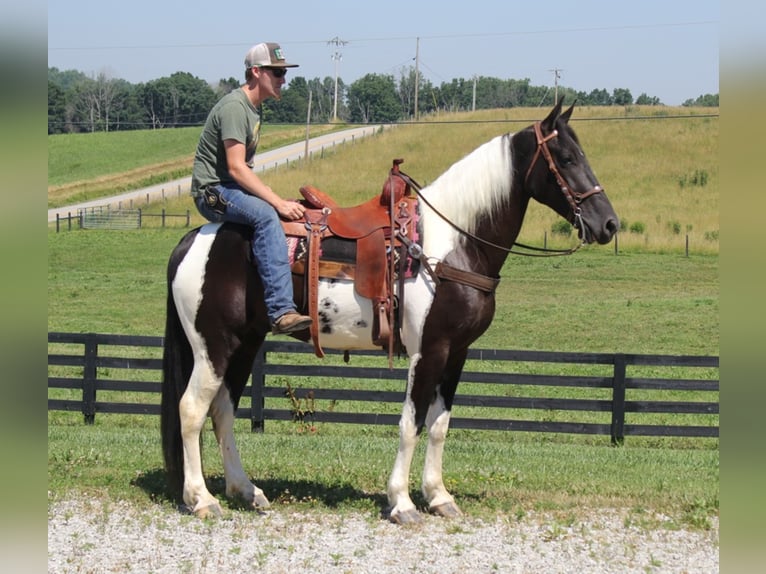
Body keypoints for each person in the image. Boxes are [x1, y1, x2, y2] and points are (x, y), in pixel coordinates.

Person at [191, 42, 312, 335]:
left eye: (284, 72)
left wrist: (273, 198)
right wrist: (276, 203)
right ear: (256, 72)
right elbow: (235, 168)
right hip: (212, 192)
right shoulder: (236, 107)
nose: (284, 78)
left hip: (229, 185)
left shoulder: (253, 110)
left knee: (274, 208)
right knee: (267, 215)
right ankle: (281, 310)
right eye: (278, 72)